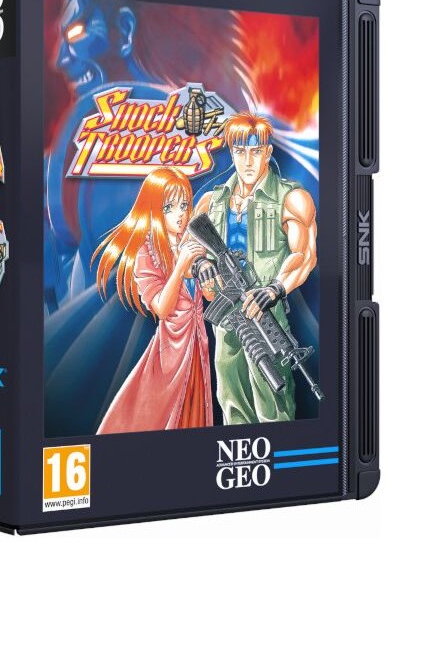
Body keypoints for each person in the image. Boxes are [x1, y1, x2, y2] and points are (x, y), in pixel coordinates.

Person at [193, 112, 318, 424]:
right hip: (226, 318)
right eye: (240, 151)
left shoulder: (291, 198)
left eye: (256, 151)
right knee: (231, 400)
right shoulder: (212, 201)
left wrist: (275, 288)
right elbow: (187, 246)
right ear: (231, 152)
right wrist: (201, 263)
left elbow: (304, 255)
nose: (248, 161)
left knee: (273, 403)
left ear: (268, 152)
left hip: (264, 312)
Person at [92, 167, 214, 433]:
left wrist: (208, 270)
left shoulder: (193, 242)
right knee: (158, 416)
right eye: (169, 207)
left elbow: (210, 296)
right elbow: (161, 308)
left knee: (194, 415)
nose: (180, 214)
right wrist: (181, 266)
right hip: (170, 350)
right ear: (154, 209)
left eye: (184, 205)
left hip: (197, 343)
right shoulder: (147, 251)